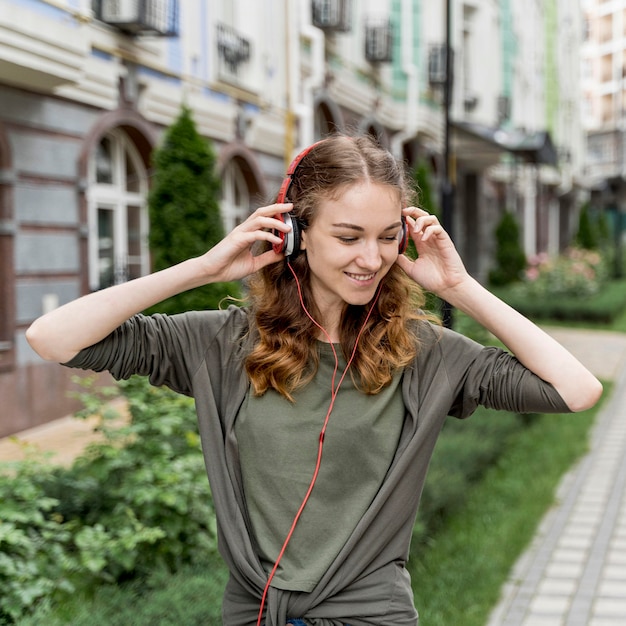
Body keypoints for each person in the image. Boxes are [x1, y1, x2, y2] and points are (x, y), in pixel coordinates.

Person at [26, 134, 602, 626]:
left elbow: (577, 390)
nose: (371, 259)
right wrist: (202, 269)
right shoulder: (222, 344)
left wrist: (459, 289)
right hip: (253, 613)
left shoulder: (424, 354)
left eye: (386, 237)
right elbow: (52, 337)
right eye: (349, 237)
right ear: (295, 236)